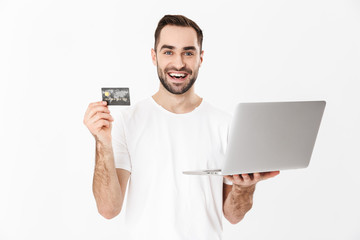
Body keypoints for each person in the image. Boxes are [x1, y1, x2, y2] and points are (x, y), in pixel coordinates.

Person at [83, 14, 279, 240]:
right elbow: (108, 209)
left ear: (200, 58)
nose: (178, 63)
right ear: (154, 56)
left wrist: (245, 187)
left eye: (188, 52)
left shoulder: (225, 125)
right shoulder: (126, 121)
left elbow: (233, 216)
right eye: (168, 52)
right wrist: (101, 142)